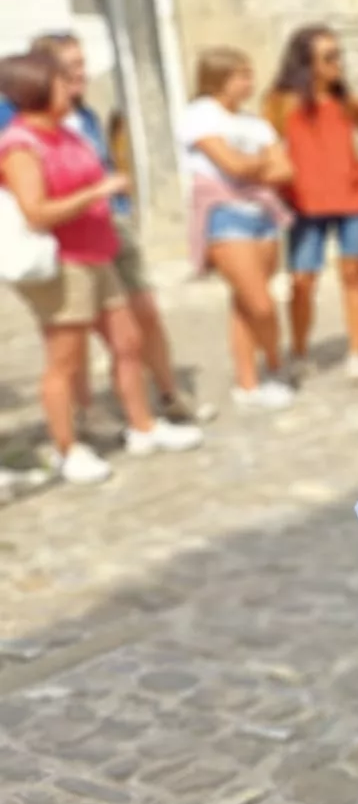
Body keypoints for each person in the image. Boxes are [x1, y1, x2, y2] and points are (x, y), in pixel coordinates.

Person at [2, 53, 203, 484]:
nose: (72, 87)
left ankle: (142, 426)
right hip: (63, 264)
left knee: (127, 341)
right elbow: (36, 211)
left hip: (99, 253)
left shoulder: (65, 133)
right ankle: (67, 447)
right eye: (61, 81)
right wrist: (97, 192)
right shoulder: (21, 145)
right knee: (66, 358)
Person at [31, 33, 211, 428]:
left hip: (110, 223)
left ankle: (167, 394)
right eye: (71, 66)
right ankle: (86, 411)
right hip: (68, 235)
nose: (83, 72)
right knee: (73, 333)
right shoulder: (24, 121)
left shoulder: (86, 114)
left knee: (143, 313)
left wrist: (118, 205)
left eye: (82, 63)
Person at [181, 47, 297, 410]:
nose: (250, 82)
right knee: (260, 304)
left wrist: (253, 166)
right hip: (225, 215)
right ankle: (273, 363)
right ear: (220, 78)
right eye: (242, 75)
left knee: (246, 304)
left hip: (261, 216)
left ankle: (248, 381)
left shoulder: (255, 122)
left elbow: (285, 170)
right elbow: (231, 165)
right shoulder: (200, 115)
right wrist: (259, 163)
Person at [265, 24, 358, 380]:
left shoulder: (349, 101)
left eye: (338, 55)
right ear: (306, 61)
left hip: (353, 201)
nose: (338, 63)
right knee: (302, 280)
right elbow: (267, 147)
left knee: (353, 275)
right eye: (329, 57)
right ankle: (298, 351)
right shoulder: (280, 103)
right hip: (304, 204)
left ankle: (357, 353)